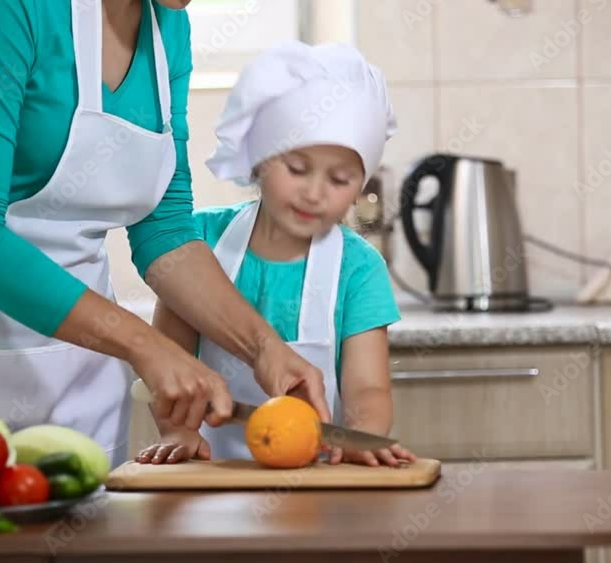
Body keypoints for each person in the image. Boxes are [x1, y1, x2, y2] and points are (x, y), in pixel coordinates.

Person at [0, 0, 331, 470]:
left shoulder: (167, 24)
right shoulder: (1, 9)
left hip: (83, 362)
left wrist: (265, 348)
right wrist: (145, 345)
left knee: (89, 538)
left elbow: (165, 228)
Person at [134, 41, 418, 467]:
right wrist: (179, 431)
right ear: (259, 160)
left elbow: (369, 389)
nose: (314, 191)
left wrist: (363, 436)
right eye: (298, 169)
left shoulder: (359, 269)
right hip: (211, 481)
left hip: (319, 485)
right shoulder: (199, 241)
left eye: (339, 179)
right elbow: (172, 364)